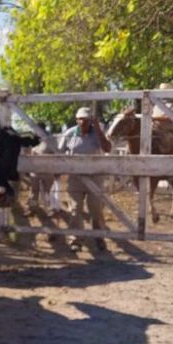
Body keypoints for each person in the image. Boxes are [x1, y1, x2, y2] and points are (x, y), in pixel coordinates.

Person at [59, 106, 112, 252]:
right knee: (75, 209)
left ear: (91, 121)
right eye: (81, 119)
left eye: (87, 119)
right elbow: (60, 153)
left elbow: (107, 148)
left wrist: (98, 129)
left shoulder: (98, 133)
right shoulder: (69, 134)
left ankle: (99, 237)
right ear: (76, 120)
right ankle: (75, 239)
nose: (83, 122)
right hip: (75, 177)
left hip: (95, 177)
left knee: (96, 209)